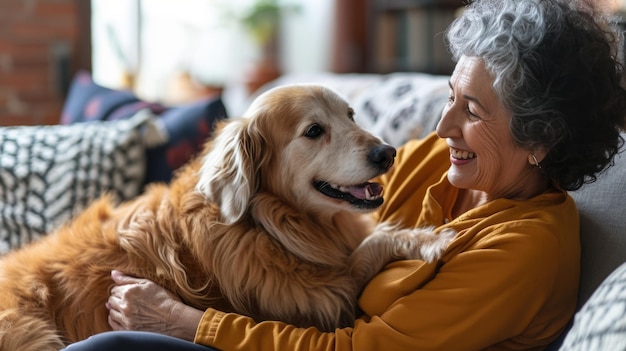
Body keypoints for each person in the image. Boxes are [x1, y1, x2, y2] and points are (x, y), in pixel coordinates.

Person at [63, 0, 626, 350]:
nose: (442, 123)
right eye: (450, 96)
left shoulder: (526, 246)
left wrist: (192, 324)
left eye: (471, 111)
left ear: (541, 138)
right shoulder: (443, 164)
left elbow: (360, 350)